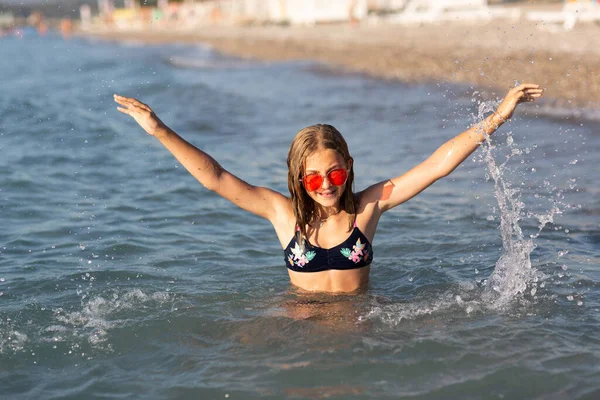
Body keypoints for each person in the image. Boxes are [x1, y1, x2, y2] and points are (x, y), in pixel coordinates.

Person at [114, 83, 543, 294]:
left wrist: (498, 117)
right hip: (298, 329)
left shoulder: (368, 208)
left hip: (361, 328)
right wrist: (159, 130)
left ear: (348, 168)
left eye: (335, 174)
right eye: (315, 178)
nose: (326, 186)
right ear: (300, 178)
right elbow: (217, 178)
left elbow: (435, 167)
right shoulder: (282, 215)